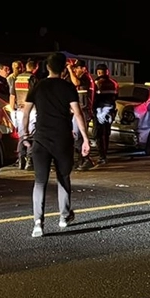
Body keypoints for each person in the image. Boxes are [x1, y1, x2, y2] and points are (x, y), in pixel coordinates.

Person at [23, 52, 91, 238]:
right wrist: (85, 138)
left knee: (40, 182)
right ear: (64, 69)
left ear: (47, 67)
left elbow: (26, 113)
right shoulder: (68, 87)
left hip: (41, 139)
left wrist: (25, 135)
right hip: (62, 139)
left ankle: (38, 223)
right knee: (63, 177)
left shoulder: (38, 86)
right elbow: (78, 113)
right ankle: (63, 217)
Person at [67, 59, 95, 170]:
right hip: (80, 111)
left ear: (83, 69)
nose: (75, 70)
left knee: (79, 136)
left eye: (76, 68)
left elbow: (76, 83)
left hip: (84, 111)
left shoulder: (85, 78)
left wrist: (70, 70)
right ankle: (81, 160)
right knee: (77, 136)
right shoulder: (83, 77)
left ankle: (86, 159)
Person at [14, 59, 40, 170]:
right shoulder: (33, 78)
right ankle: (30, 160)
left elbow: (12, 95)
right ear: (36, 67)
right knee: (31, 135)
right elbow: (36, 95)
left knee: (22, 135)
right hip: (31, 110)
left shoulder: (17, 78)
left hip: (19, 110)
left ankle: (21, 159)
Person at [93, 63, 119, 164]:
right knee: (106, 133)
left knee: (98, 134)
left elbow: (94, 98)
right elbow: (116, 97)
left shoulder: (97, 83)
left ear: (99, 72)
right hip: (110, 111)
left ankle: (102, 156)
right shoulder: (114, 83)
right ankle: (105, 154)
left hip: (99, 111)